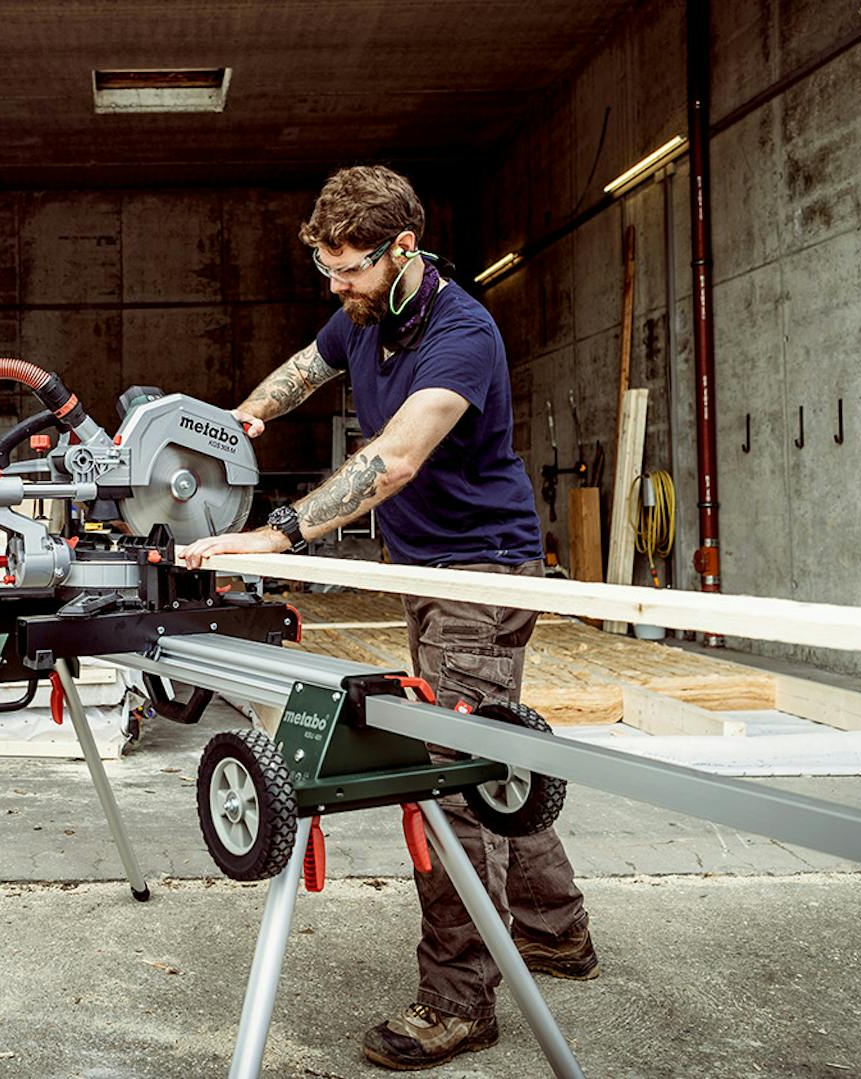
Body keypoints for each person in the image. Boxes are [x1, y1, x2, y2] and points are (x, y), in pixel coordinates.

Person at [180, 165, 600, 1071]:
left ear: (402, 249)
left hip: (482, 577)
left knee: (452, 779)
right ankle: (556, 929)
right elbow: (303, 371)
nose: (337, 289)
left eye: (350, 270)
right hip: (429, 569)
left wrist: (283, 531)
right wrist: (229, 425)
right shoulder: (366, 313)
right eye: (327, 271)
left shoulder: (463, 333)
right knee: (497, 750)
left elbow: (398, 459)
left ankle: (456, 1001)